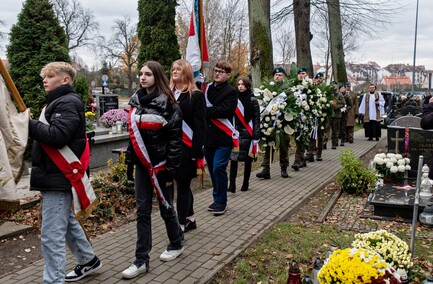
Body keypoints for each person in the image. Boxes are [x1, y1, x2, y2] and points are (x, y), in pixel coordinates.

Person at [28, 62, 102, 283]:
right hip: (55, 174)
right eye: (44, 76)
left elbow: (57, 136)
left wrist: (29, 124)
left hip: (58, 177)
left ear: (65, 80)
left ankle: (53, 280)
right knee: (67, 222)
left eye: (49, 76)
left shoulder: (67, 102)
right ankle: (88, 260)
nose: (44, 80)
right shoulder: (59, 102)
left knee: (52, 236)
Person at [122, 61, 184, 279]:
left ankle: (176, 243)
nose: (142, 77)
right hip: (142, 167)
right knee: (142, 211)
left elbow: (175, 143)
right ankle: (141, 260)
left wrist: (170, 171)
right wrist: (130, 164)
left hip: (160, 168)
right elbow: (133, 140)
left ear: (157, 76)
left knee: (166, 208)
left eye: (147, 74)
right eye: (140, 74)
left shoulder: (169, 105)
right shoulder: (135, 102)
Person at [170, 59, 206, 233]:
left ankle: (180, 224)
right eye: (173, 69)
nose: (174, 71)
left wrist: (197, 152)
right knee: (179, 183)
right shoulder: (167, 94)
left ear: (187, 72)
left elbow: (200, 126)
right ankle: (190, 218)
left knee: (182, 184)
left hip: (187, 146)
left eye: (179, 69)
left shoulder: (196, 95)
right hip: (170, 146)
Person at [203, 61, 238, 215]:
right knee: (211, 169)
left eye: (221, 71)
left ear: (228, 74)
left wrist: (208, 111)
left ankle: (222, 201)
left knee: (219, 168)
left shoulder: (231, 92)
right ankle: (216, 198)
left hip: (223, 139)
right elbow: (203, 108)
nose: (217, 73)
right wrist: (210, 111)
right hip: (208, 138)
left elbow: (225, 111)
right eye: (216, 70)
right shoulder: (207, 88)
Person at [256, 67, 290, 179]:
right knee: (268, 145)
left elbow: (291, 106)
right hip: (269, 122)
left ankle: (284, 168)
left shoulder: (288, 90)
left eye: (280, 75)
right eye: (276, 75)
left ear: (283, 77)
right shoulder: (267, 89)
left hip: (283, 123)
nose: (278, 76)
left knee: (283, 146)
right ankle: (266, 169)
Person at [229, 77, 260, 192]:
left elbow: (257, 119)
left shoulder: (253, 100)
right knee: (233, 159)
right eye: (238, 84)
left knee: (247, 160)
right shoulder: (234, 99)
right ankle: (232, 185)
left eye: (243, 84)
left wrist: (256, 136)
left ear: (247, 86)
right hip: (235, 133)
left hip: (248, 133)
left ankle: (245, 183)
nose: (240, 86)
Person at [292, 67, 309, 171]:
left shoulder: (309, 87)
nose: (301, 75)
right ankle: (302, 159)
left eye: (303, 73)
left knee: (301, 138)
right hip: (294, 117)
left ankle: (297, 161)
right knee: (297, 138)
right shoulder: (293, 86)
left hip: (305, 117)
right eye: (299, 73)